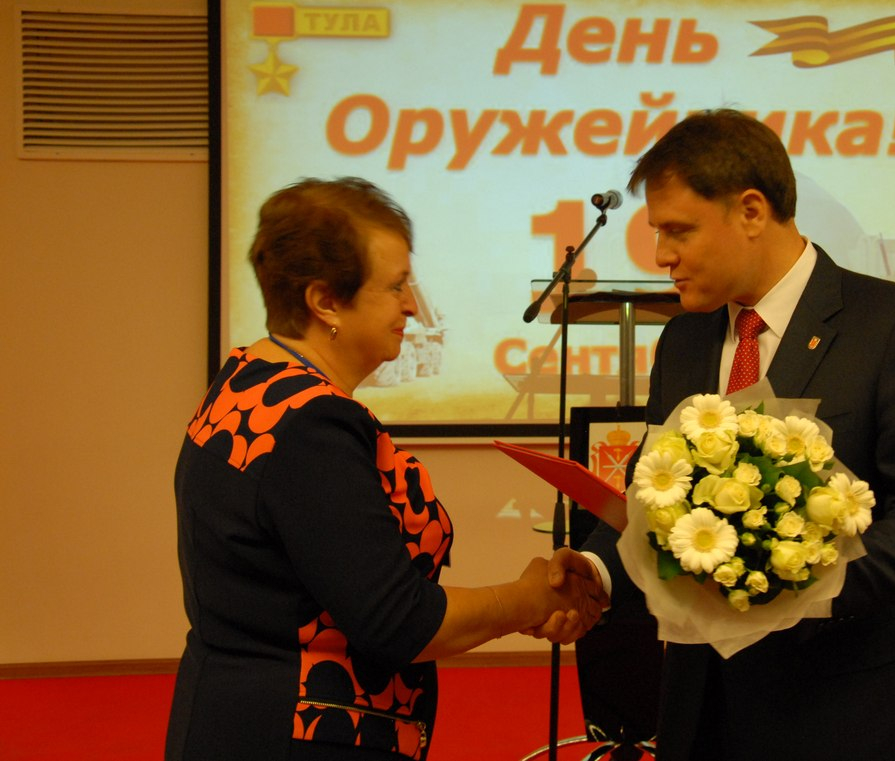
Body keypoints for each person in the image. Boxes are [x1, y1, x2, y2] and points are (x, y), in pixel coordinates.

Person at [581, 110, 895, 760]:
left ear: (751, 211)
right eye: (657, 232)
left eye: (678, 230)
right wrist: (594, 571)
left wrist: (788, 577)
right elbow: (651, 498)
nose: (661, 256)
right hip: (701, 714)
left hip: (850, 716)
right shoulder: (683, 340)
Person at [166, 177, 605, 761]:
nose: (411, 305)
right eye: (396, 286)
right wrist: (528, 599)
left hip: (239, 716)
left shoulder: (250, 378)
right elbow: (399, 621)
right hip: (297, 733)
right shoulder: (312, 427)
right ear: (325, 301)